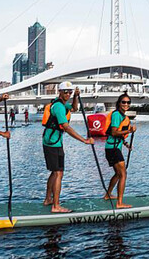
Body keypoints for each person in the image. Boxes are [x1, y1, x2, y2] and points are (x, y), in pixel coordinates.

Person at [42, 81, 94, 213]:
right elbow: (66, 127)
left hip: (54, 141)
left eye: (70, 92)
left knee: (55, 172)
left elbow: (75, 108)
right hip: (53, 142)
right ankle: (56, 206)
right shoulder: (59, 107)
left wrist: (76, 96)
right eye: (66, 92)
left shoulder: (63, 104)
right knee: (59, 173)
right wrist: (84, 140)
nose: (68, 94)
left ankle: (49, 199)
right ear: (59, 92)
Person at [103, 92, 137, 208]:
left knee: (118, 174)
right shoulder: (117, 115)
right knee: (123, 174)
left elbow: (118, 135)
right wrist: (129, 131)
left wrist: (126, 143)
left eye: (128, 102)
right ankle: (119, 203)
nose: (126, 104)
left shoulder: (123, 116)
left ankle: (108, 195)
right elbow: (113, 132)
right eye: (123, 102)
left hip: (114, 147)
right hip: (113, 148)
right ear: (119, 103)